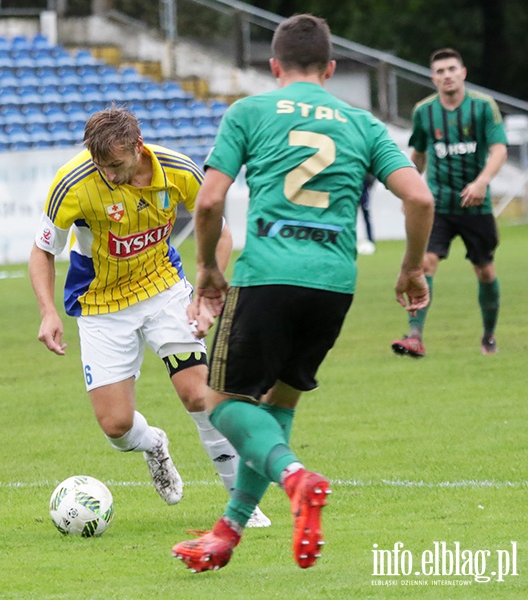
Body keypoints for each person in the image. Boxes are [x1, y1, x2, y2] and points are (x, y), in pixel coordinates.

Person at [170, 14, 434, 572]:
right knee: (279, 404)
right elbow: (420, 199)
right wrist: (412, 270)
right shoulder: (359, 121)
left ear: (273, 66)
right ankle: (228, 531)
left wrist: (206, 269)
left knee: (221, 404)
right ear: (331, 68)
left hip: (268, 275)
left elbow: (210, 201)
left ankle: (295, 477)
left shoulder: (250, 111)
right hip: (333, 285)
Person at [29, 106, 271, 528]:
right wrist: (48, 311)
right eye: (100, 166)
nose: (108, 174)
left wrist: (207, 291)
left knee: (199, 396)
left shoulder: (179, 172)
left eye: (116, 165)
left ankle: (243, 507)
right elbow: (42, 251)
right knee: (116, 426)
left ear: (138, 148)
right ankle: (153, 443)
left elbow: (221, 232)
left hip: (164, 291)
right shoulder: (72, 184)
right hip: (101, 307)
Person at [391, 47, 508, 358]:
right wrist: (409, 191)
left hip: (476, 206)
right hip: (438, 205)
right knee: (424, 263)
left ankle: (488, 336)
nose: (447, 75)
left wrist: (482, 182)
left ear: (463, 73)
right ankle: (414, 336)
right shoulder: (424, 112)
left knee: (484, 271)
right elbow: (417, 155)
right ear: (433, 78)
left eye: (451, 69)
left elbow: (499, 150)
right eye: (440, 71)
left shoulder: (484, 108)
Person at [356, 174, 376, 255]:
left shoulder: (367, 175)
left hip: (364, 195)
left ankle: (371, 240)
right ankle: (350, 240)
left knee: (366, 217)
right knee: (351, 218)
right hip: (354, 196)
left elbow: (372, 180)